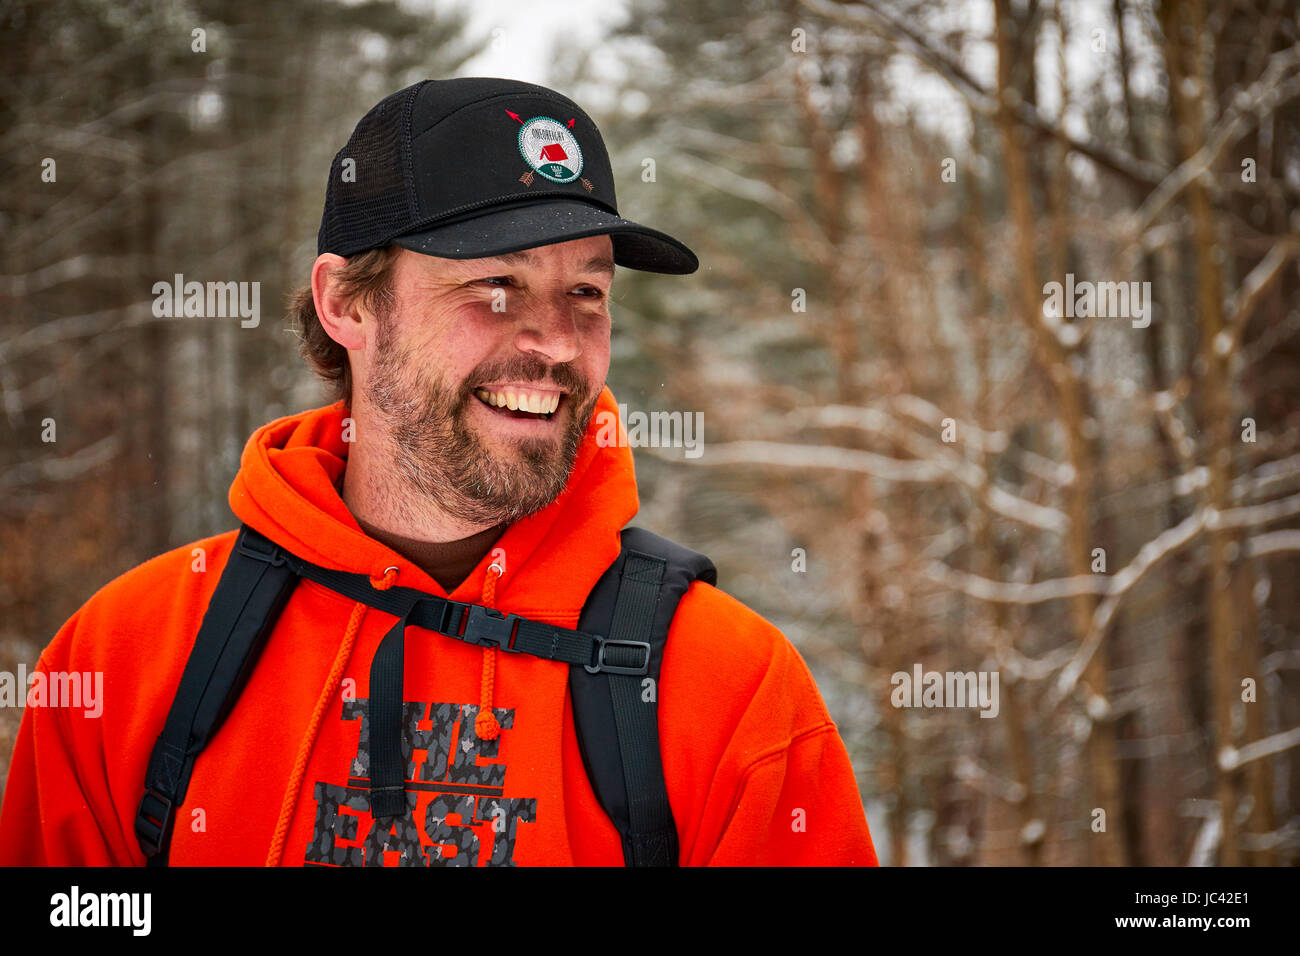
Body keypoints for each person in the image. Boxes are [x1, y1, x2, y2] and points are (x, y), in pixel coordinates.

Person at [0, 77, 878, 866]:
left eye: (588, 292)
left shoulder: (729, 688)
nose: (558, 343)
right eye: (496, 285)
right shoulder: (123, 662)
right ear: (347, 304)